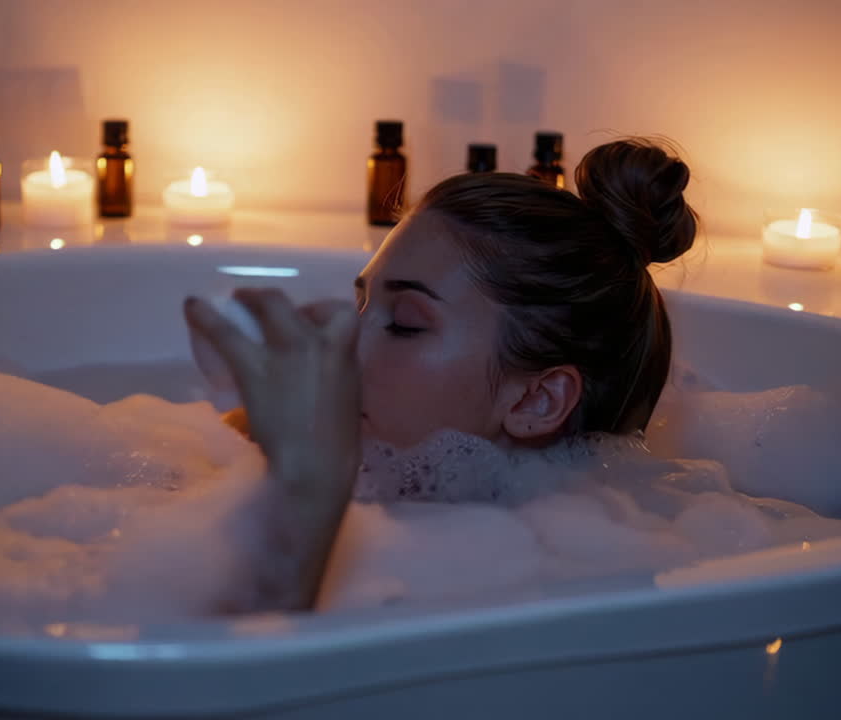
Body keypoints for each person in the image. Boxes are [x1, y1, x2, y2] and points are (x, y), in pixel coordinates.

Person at [183, 137, 698, 612]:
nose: (343, 338)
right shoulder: (253, 443)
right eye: (359, 304)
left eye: (404, 323)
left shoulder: (536, 586)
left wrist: (304, 496)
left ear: (536, 401)